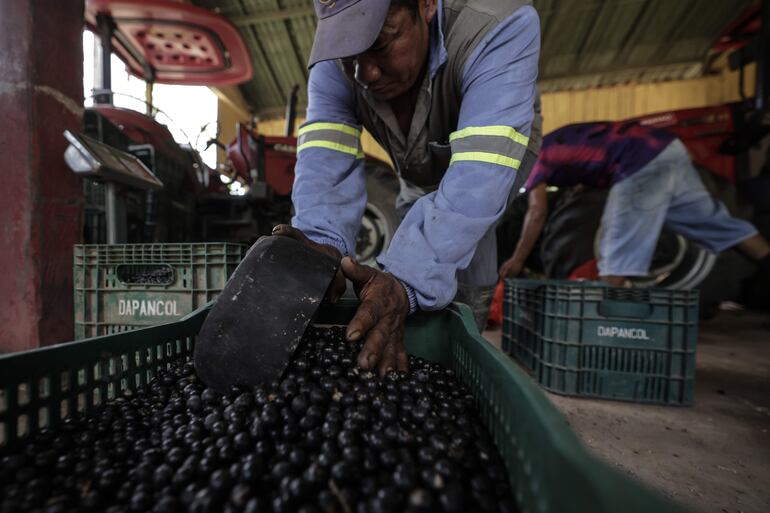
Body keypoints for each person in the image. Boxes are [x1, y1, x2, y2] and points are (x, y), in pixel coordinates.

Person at [272, 0, 541, 375]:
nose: (365, 73)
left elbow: (478, 178)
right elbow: (325, 158)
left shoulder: (496, 25)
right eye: (351, 54)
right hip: (416, 167)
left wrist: (409, 281)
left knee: (460, 260)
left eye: (381, 43)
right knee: (407, 262)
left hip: (490, 153)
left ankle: (462, 351)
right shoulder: (335, 61)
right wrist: (321, 244)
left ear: (426, 4)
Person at [499, 121, 770, 292]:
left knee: (615, 246)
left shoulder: (532, 159)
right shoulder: (555, 143)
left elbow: (537, 212)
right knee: (715, 224)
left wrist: (517, 260)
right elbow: (589, 163)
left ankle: (598, 328)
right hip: (667, 147)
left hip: (640, 161)